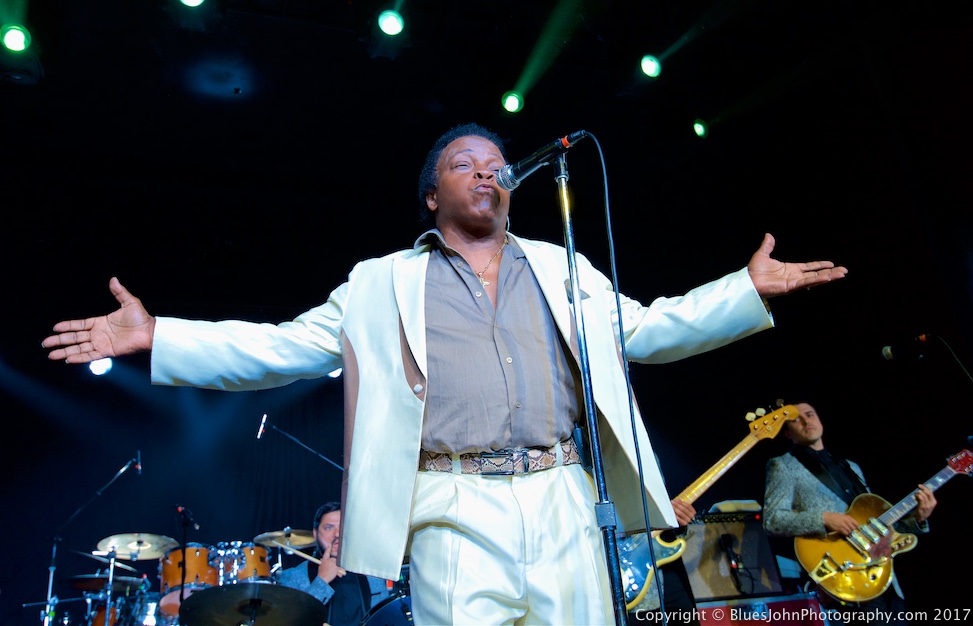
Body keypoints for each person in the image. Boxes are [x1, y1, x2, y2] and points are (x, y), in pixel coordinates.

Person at [42, 122, 848, 625]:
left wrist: (741, 290)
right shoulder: (378, 282)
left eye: (497, 162)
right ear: (432, 196)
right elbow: (280, 347)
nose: (487, 171)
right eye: (466, 163)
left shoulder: (563, 267)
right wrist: (160, 336)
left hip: (566, 493)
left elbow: (647, 329)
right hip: (452, 501)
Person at [763, 400, 936, 624]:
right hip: (844, 578)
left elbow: (877, 525)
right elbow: (772, 521)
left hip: (883, 578)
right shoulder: (782, 465)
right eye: (796, 419)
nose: (806, 420)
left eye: (810, 414)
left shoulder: (851, 467)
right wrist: (824, 518)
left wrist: (918, 519)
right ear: (787, 432)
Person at [275, 501, 388, 626]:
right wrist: (321, 581)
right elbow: (294, 622)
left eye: (342, 526)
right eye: (329, 527)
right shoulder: (293, 577)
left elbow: (383, 618)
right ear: (315, 532)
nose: (337, 534)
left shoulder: (371, 573)